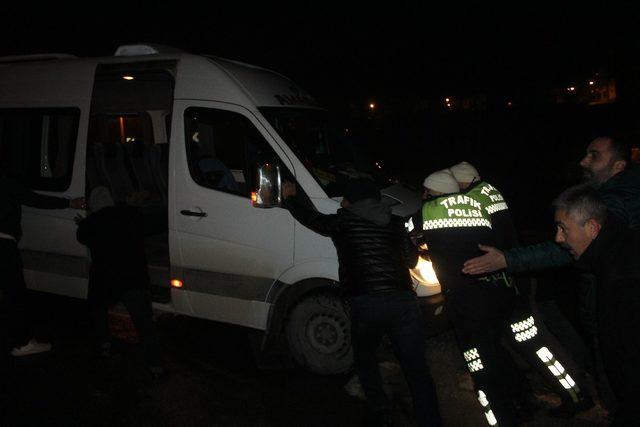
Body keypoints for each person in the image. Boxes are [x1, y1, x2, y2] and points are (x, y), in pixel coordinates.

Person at [412, 170, 590, 426]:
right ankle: (566, 396)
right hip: (508, 289)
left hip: (482, 298)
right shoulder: (486, 198)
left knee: (488, 364)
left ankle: (517, 412)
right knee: (531, 347)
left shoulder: (434, 210)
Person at [281, 178, 441, 427]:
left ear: (351, 200)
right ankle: (430, 421)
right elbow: (411, 262)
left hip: (367, 303)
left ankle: (380, 413)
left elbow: (313, 220)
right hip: (403, 302)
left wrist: (290, 199)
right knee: (416, 368)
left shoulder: (344, 221)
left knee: (366, 361)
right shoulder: (396, 223)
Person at [552, 184, 639, 425]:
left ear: (592, 228)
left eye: (563, 229)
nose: (558, 238)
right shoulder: (615, 254)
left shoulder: (623, 276)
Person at [0, 160, 84, 357]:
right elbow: (35, 200)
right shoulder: (6, 183)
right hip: (4, 244)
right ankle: (22, 343)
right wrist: (69, 203)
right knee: (15, 295)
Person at [75, 186, 162, 374]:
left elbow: (82, 236)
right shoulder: (132, 215)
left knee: (98, 310)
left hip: (105, 280)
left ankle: (104, 345)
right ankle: (155, 363)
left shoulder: (90, 224)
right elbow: (152, 225)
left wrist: (84, 222)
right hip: (133, 278)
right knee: (144, 322)